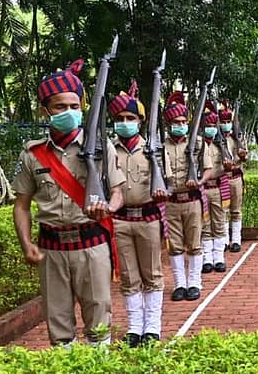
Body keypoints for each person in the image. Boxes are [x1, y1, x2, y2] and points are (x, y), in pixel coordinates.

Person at [12, 60, 125, 347]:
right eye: (60, 107)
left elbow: (118, 193)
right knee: (58, 327)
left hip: (91, 245)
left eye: (74, 106)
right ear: (45, 110)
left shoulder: (100, 146)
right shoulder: (32, 154)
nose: (69, 112)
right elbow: (21, 205)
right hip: (51, 250)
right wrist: (26, 244)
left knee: (99, 324)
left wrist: (108, 209)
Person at [108, 83, 167, 346]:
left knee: (151, 273)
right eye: (120, 118)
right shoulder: (108, 150)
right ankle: (134, 327)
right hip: (120, 220)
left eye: (130, 118)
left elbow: (168, 181)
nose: (125, 123)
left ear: (140, 121)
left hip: (147, 217)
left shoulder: (154, 150)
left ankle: (152, 327)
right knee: (129, 276)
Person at [162, 92, 208, 302]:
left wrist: (199, 181)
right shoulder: (160, 146)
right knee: (175, 245)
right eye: (176, 122)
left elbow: (208, 169)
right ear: (168, 124)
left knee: (194, 243)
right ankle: (179, 283)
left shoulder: (197, 143)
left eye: (183, 122)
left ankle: (195, 282)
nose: (180, 125)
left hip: (192, 200)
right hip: (171, 202)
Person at [200, 103, 231, 274]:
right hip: (202, 189)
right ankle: (207, 258)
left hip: (218, 187)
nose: (210, 128)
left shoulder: (221, 145)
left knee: (219, 222)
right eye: (208, 125)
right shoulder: (196, 145)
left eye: (213, 125)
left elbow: (230, 163)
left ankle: (219, 257)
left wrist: (228, 166)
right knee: (205, 224)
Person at [219, 103, 248, 252]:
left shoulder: (237, 138)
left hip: (236, 177)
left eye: (228, 121)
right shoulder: (217, 140)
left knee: (236, 210)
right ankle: (224, 240)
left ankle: (236, 240)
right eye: (223, 122)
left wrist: (243, 156)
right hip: (223, 178)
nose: (226, 124)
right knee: (223, 211)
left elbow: (246, 157)